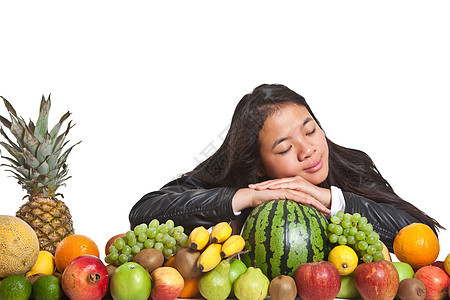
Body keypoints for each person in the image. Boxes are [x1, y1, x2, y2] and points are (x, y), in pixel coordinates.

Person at [129, 83, 443, 251]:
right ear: (260, 167)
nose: (308, 150)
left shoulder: (353, 167)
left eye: (310, 131)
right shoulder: (241, 179)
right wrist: (246, 198)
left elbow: (422, 239)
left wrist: (328, 198)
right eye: (285, 147)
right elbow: (144, 212)